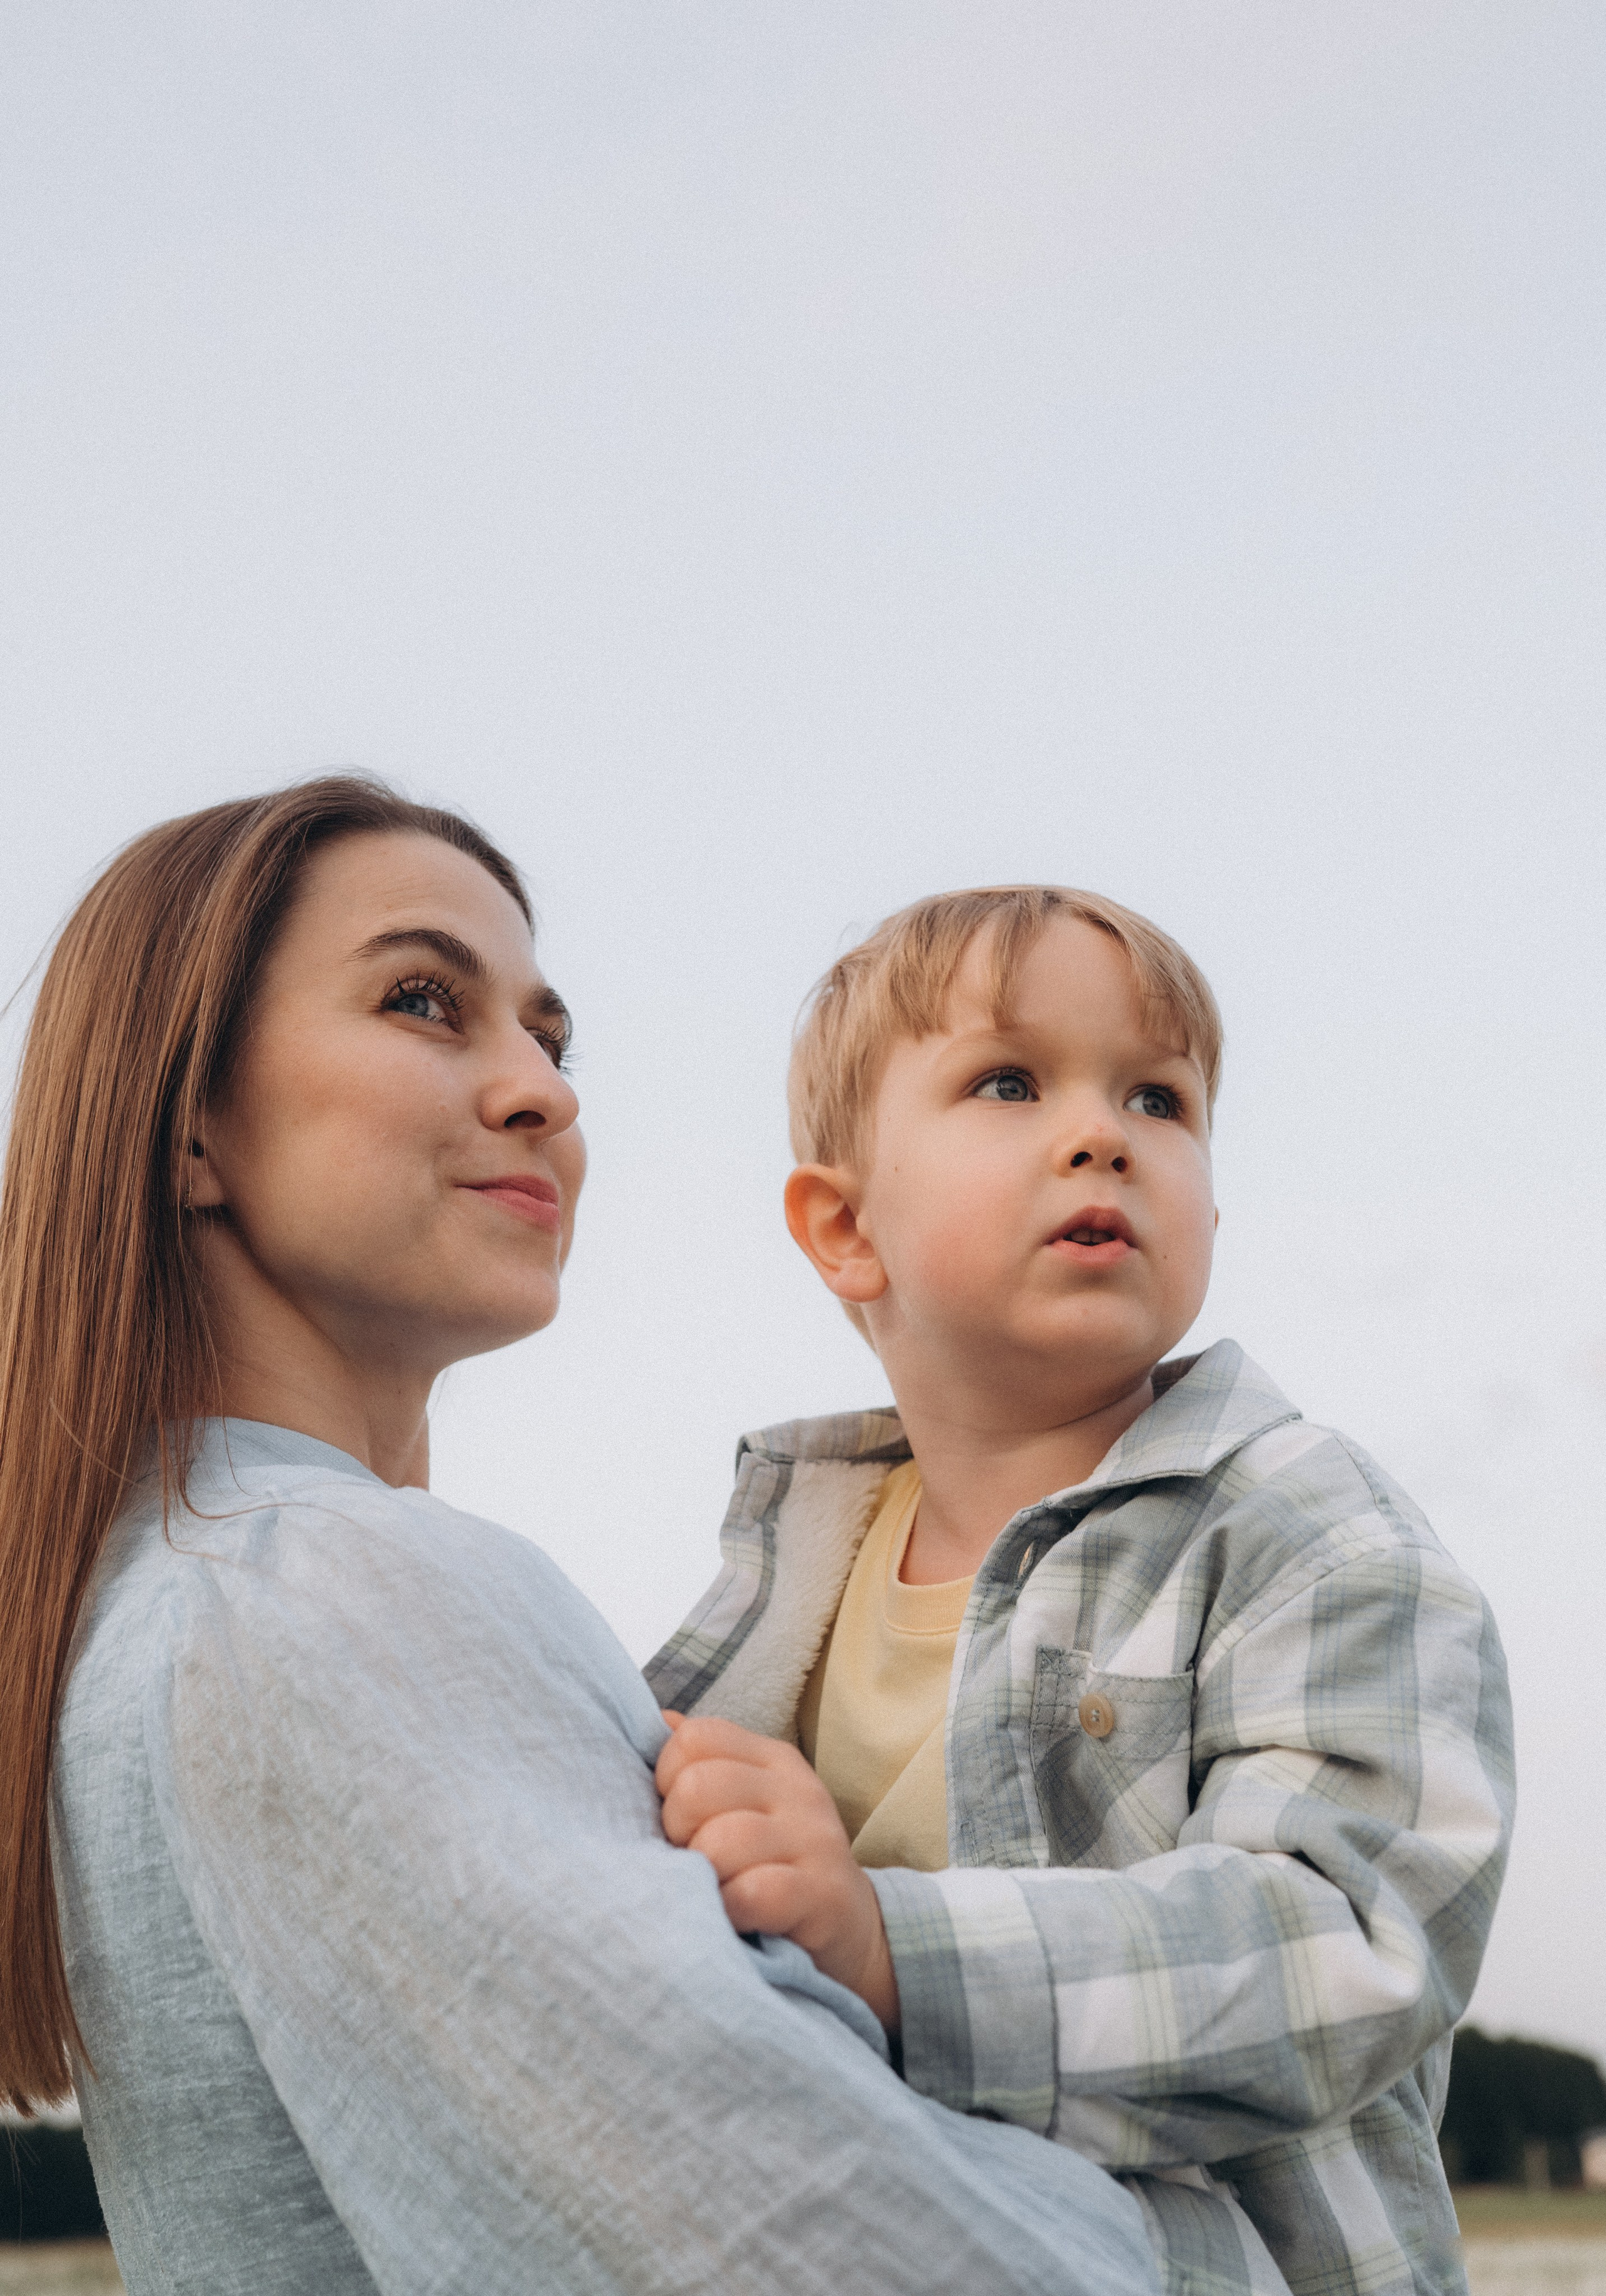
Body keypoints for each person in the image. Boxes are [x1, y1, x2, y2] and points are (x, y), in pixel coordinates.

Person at [0, 788, 1164, 2296]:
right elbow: (835, 2254)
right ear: (191, 1125)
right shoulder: (326, 1589)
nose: (539, 1089)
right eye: (423, 1001)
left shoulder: (152, 1602)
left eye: (550, 1039)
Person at [648, 885, 1516, 2296]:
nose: (1101, 1132)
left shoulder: (1308, 1528)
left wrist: (891, 1948)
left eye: (1158, 1099)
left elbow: (1348, 1945)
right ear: (844, 1231)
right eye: (1007, 1080)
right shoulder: (782, 1578)